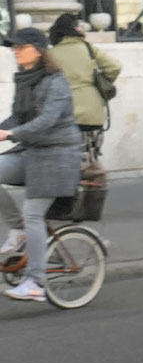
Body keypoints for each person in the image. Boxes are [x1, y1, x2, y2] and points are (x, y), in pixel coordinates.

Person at [0, 27, 82, 303]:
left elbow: (47, 120)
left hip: (57, 156)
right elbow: (18, 117)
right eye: (13, 48)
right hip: (32, 151)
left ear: (38, 49)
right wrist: (2, 129)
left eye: (21, 47)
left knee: (33, 213)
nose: (16, 51)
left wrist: (10, 134)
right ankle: (19, 229)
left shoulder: (55, 81)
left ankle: (36, 281)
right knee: (26, 219)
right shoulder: (25, 80)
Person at [44, 13, 120, 163]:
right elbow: (115, 67)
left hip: (62, 114)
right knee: (90, 160)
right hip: (91, 112)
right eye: (78, 25)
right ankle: (91, 181)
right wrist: (98, 81)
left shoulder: (51, 54)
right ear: (73, 29)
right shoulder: (88, 48)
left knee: (67, 161)